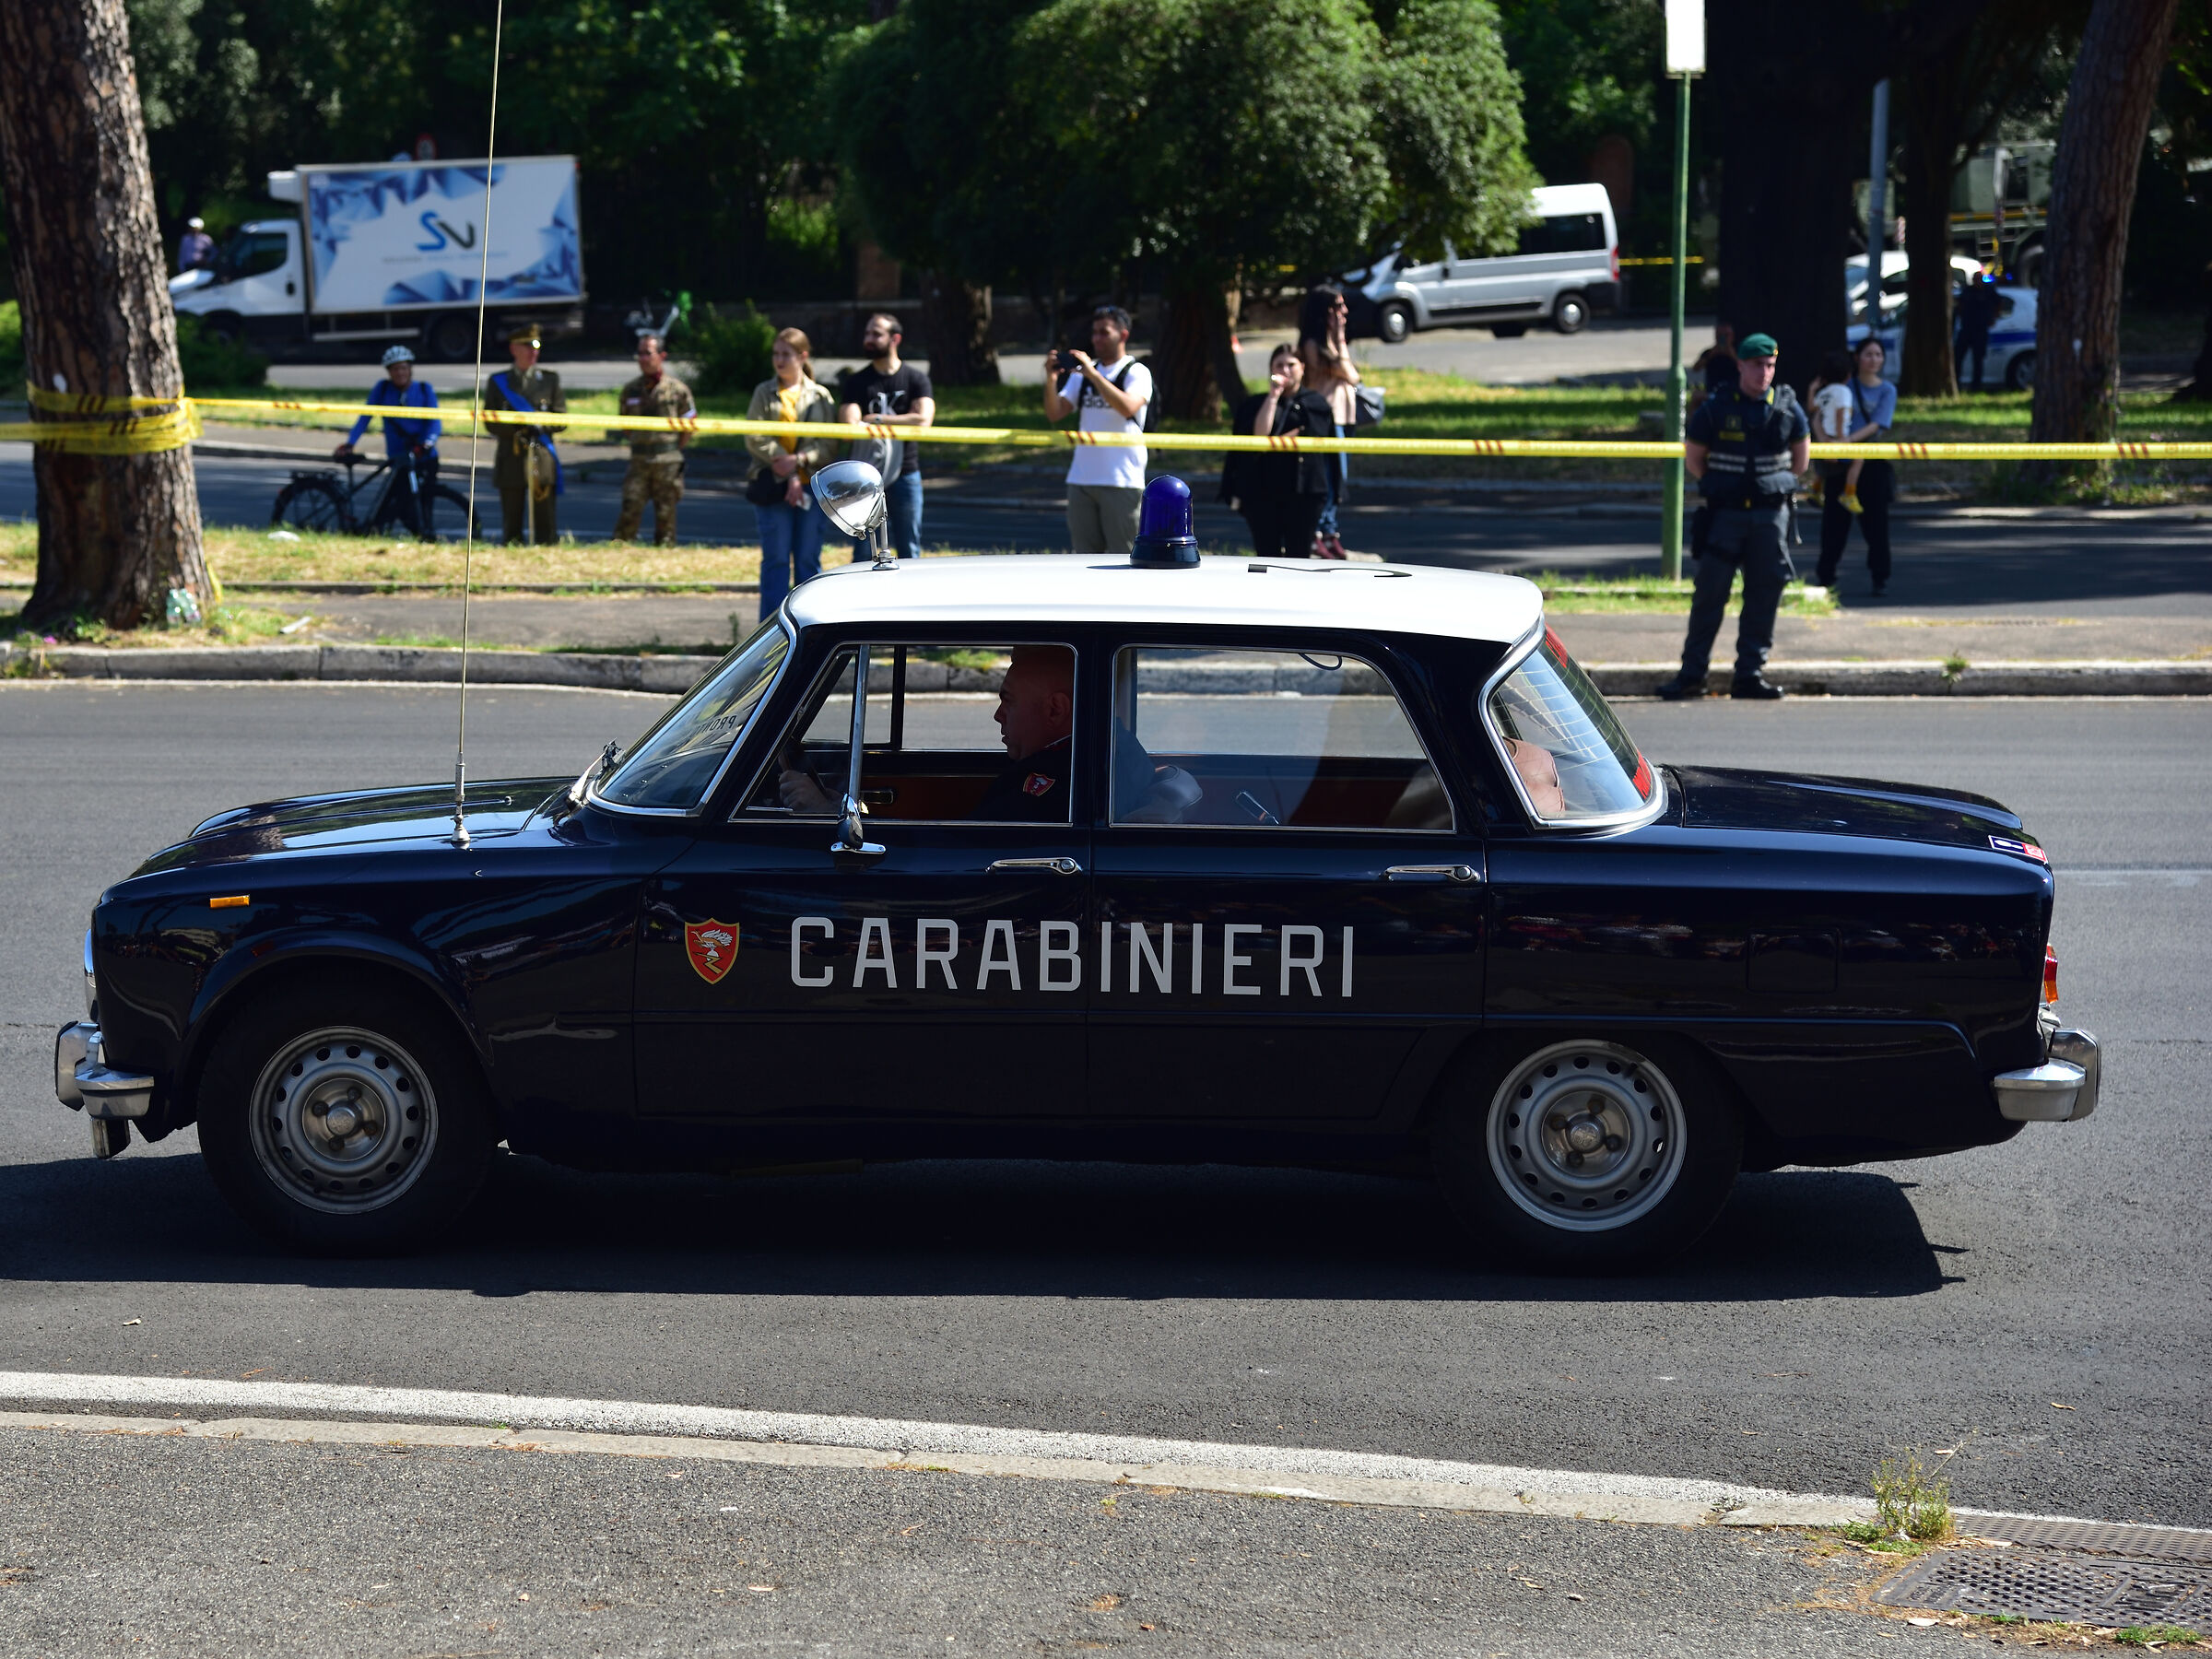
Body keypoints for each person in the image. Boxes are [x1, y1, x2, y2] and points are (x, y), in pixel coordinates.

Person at [1654, 332, 1810, 702]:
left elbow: (1801, 461)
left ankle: (1749, 675)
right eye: (1757, 365)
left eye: (1770, 365)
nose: (1764, 373)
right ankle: (1692, 675)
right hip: (1725, 517)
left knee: (1763, 596)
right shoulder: (1716, 407)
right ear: (1740, 364)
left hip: (1770, 518)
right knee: (1709, 596)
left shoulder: (1788, 408)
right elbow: (1695, 460)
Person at [778, 646, 1075, 822]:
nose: (998, 715)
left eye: (1009, 701)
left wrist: (820, 811)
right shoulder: (1051, 770)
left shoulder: (1046, 786)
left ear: (1054, 710)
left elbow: (960, 854)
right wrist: (834, 808)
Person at [745, 326, 839, 618]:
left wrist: (799, 460)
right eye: (776, 354)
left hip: (811, 485)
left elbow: (830, 444)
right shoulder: (764, 391)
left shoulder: (820, 396)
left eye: (786, 354)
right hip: (773, 483)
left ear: (802, 357)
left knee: (808, 559)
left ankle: (810, 626)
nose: (779, 360)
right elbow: (754, 436)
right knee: (775, 559)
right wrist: (784, 466)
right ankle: (770, 633)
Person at [1043, 305, 1151, 556]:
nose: (1097, 339)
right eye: (1094, 333)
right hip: (1081, 478)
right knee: (1083, 557)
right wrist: (1050, 379)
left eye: (1104, 333)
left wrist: (1093, 375)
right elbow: (1055, 413)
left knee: (1122, 556)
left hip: (1121, 480)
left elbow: (1127, 407)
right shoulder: (1084, 373)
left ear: (1123, 335)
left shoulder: (1136, 372)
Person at [1218, 344, 1333, 558]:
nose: (1285, 371)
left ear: (1303, 368)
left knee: (1298, 556)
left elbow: (1309, 434)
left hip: (1302, 493)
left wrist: (1271, 443)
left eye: (1291, 365)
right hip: (1262, 492)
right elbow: (1259, 435)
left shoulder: (1315, 403)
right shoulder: (1255, 404)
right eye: (1279, 365)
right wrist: (1273, 397)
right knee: (1266, 553)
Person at [836, 312, 935, 560]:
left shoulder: (915, 379)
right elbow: (849, 424)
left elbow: (924, 420)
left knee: (908, 548)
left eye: (876, 334)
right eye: (867, 333)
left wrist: (875, 419)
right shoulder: (857, 382)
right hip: (864, 478)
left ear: (895, 339)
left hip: (906, 473)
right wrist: (904, 419)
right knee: (863, 552)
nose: (869, 339)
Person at [1815, 335, 1900, 597]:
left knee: (1876, 524)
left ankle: (1879, 577)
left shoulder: (1887, 390)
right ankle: (1826, 576)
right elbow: (1817, 413)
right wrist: (1827, 443)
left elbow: (1877, 424)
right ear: (1856, 359)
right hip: (1840, 463)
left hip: (1869, 463)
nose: (1874, 360)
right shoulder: (1843, 386)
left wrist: (1848, 441)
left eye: (1878, 355)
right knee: (1834, 523)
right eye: (1868, 354)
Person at [335, 345, 441, 537]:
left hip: (424, 457)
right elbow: (365, 417)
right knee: (397, 500)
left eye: (403, 368)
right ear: (389, 372)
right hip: (399, 458)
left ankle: (426, 534)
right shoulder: (383, 389)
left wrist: (427, 443)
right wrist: (351, 442)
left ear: (410, 369)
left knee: (424, 501)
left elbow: (435, 422)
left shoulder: (425, 390)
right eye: (394, 369)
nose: (400, 373)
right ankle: (382, 532)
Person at [481, 325, 566, 545]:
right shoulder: (498, 382)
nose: (533, 351)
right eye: (527, 346)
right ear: (513, 349)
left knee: (545, 521)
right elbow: (491, 422)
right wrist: (519, 429)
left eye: (536, 346)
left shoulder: (550, 380)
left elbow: (561, 419)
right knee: (512, 521)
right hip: (511, 456)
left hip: (542, 457)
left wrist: (541, 427)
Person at [1297, 285, 1363, 559]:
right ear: (1323, 311)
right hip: (1325, 420)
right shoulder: (1313, 345)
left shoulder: (1333, 342)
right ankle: (1317, 533)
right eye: (1337, 307)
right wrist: (1339, 337)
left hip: (1343, 417)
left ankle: (1331, 531)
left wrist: (1339, 338)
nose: (1344, 312)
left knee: (1339, 480)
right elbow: (1349, 373)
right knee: (1328, 476)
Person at [612, 332, 695, 547]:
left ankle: (665, 555)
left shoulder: (677, 390)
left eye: (648, 353)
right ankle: (620, 554)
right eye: (639, 354)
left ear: (661, 355)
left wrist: (671, 447)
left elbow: (689, 426)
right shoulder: (630, 389)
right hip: (639, 460)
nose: (643, 359)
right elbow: (626, 426)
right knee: (629, 510)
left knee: (666, 517)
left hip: (667, 461)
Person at [1808, 348, 1864, 515]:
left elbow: (1812, 409)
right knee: (1859, 459)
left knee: (1824, 466)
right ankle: (1849, 493)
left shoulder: (1824, 393)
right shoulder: (1844, 392)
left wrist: (1812, 389)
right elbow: (1841, 413)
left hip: (1824, 438)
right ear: (1848, 375)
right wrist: (1842, 439)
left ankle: (1816, 489)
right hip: (1837, 437)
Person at [1955, 273, 2002, 392]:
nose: (1977, 281)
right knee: (1958, 356)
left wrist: (1994, 318)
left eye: (1978, 279)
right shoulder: (1967, 291)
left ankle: (1976, 386)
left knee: (1978, 359)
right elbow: (1959, 305)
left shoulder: (1989, 291)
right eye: (1975, 279)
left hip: (1981, 329)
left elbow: (1999, 304)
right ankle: (1956, 383)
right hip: (1966, 328)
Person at [1688, 322, 1736, 415]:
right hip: (1711, 392)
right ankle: (1691, 427)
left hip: (1732, 392)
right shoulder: (1709, 353)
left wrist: (1732, 354)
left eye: (1726, 335)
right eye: (1720, 335)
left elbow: (1744, 368)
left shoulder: (1737, 352)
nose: (1723, 338)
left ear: (1732, 336)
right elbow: (1695, 368)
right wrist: (1711, 355)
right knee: (1696, 396)